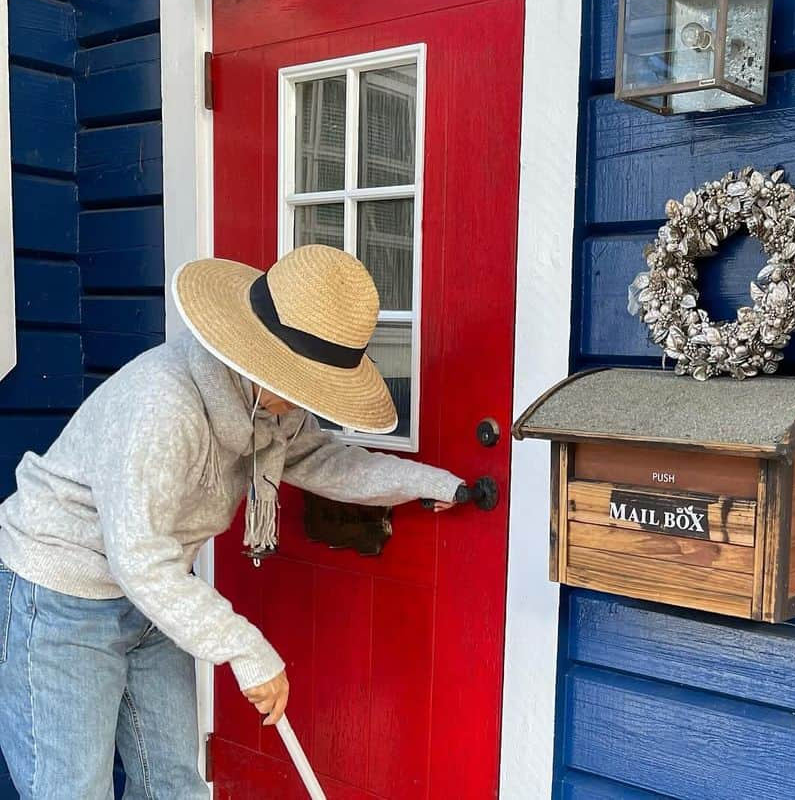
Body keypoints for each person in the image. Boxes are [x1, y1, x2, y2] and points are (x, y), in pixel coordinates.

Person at [0, 245, 464, 798]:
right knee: (71, 791)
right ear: (257, 357)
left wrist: (429, 483)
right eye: (303, 386)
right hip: (62, 595)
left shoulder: (267, 410)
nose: (305, 405)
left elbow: (320, 459)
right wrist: (247, 650)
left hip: (155, 595)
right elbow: (138, 557)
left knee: (175, 786)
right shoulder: (164, 409)